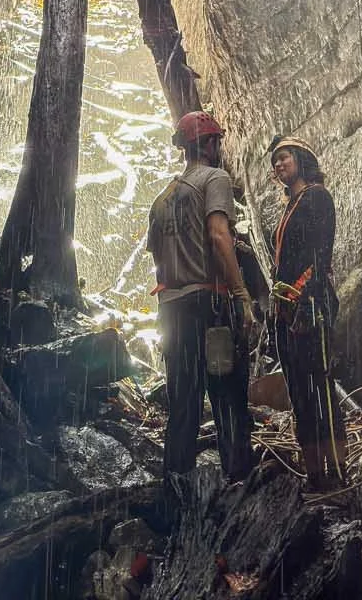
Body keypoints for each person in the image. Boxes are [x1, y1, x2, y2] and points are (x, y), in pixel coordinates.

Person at [146, 109, 255, 494]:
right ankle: (239, 484)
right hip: (208, 303)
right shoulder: (214, 178)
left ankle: (176, 488)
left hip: (170, 310)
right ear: (209, 145)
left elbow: (158, 258)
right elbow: (219, 236)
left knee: (183, 399)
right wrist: (241, 294)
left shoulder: (162, 199)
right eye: (217, 142)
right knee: (226, 394)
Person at [268, 134, 347, 492]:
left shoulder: (316, 198)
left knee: (319, 385)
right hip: (287, 307)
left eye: (284, 157)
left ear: (300, 157)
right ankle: (315, 473)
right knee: (300, 389)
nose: (279, 165)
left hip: (310, 304)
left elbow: (319, 256)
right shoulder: (292, 204)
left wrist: (303, 300)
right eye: (275, 162)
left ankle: (338, 470)